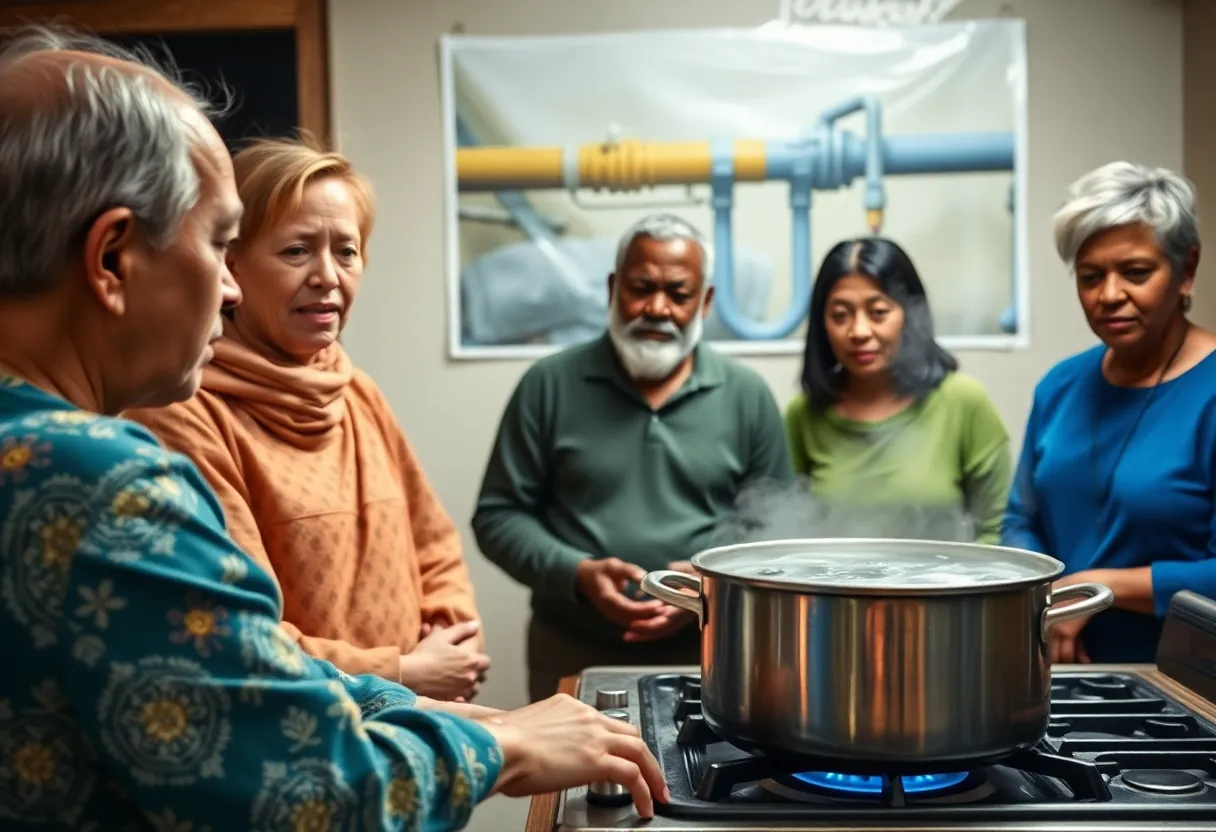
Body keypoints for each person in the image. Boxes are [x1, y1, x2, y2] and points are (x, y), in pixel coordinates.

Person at [0, 25, 666, 829]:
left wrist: (436, 706)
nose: (232, 291)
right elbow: (310, 791)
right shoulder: (103, 485)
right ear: (112, 259)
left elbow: (244, 671)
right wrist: (507, 747)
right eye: (220, 244)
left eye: (345, 250)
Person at [127, 137, 489, 703]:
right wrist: (400, 672)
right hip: (304, 741)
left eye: (346, 251)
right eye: (297, 251)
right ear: (231, 263)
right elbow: (242, 631)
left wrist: (452, 641)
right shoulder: (182, 415)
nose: (327, 275)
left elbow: (434, 542)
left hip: (421, 724)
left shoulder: (354, 389)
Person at [473, 213, 795, 702]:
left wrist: (708, 580)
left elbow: (776, 530)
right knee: (567, 780)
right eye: (640, 287)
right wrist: (577, 573)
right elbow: (498, 517)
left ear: (706, 301)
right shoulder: (547, 385)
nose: (657, 308)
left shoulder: (746, 395)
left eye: (679, 294)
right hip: (573, 650)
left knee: (710, 778)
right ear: (612, 288)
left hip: (712, 650)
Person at [1002, 161, 1216, 664]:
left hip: (1185, 684)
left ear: (1186, 270)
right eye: (1090, 276)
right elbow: (1020, 519)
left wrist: (1097, 588)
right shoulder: (1061, 385)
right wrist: (1049, 595)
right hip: (1061, 677)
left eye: (1136, 272)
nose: (1110, 295)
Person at [783, 237, 1012, 543]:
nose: (859, 332)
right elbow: (787, 528)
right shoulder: (804, 414)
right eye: (840, 315)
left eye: (878, 312)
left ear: (910, 313)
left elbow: (996, 530)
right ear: (821, 324)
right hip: (834, 589)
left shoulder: (963, 401)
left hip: (944, 589)